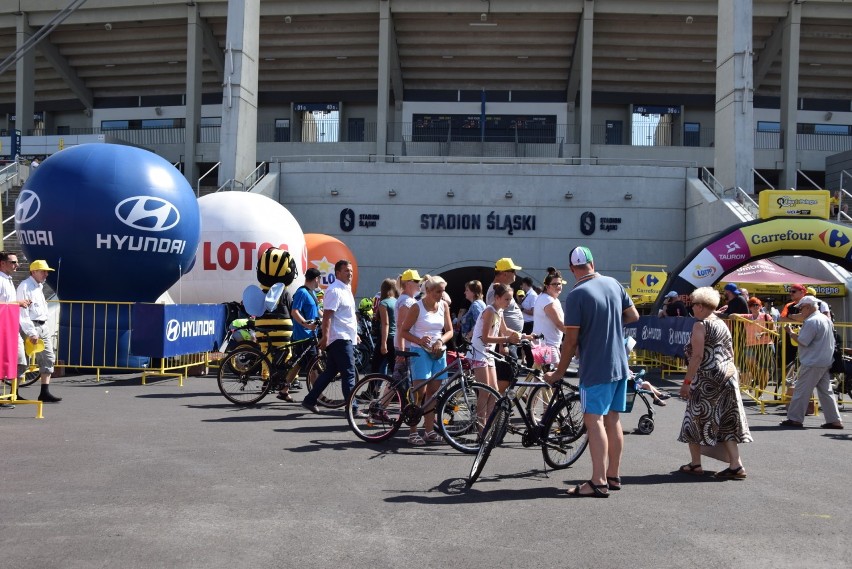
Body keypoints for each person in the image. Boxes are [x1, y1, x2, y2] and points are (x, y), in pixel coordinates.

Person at [545, 246, 639, 497]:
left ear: (572, 269)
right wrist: (608, 323)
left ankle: (598, 481)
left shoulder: (577, 294)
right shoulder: (613, 283)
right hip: (619, 362)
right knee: (613, 420)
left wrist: (558, 373)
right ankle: (613, 475)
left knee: (594, 420)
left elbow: (571, 341)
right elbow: (633, 316)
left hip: (596, 366)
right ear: (592, 263)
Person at [677, 287, 752, 479]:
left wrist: (687, 382)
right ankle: (736, 465)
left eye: (693, 304)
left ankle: (695, 464)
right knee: (727, 421)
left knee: (693, 419)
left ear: (701, 306)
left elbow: (697, 356)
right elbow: (731, 352)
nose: (691, 308)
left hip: (707, 378)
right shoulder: (721, 323)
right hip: (727, 375)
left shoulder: (700, 325)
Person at [399, 275, 454, 445]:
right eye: (438, 291)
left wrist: (440, 341)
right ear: (428, 291)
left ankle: (429, 430)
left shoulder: (443, 306)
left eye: (443, 291)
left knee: (434, 394)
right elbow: (404, 331)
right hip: (420, 352)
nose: (441, 294)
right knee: (419, 393)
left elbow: (449, 331)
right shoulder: (417, 307)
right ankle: (413, 431)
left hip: (438, 351)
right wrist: (420, 340)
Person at [301, 260, 358, 414]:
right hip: (339, 338)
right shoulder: (334, 290)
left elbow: (347, 316)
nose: (350, 273)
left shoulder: (346, 289)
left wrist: (356, 334)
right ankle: (352, 408)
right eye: (346, 271)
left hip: (346, 336)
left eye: (351, 270)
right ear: (337, 273)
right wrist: (325, 337)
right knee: (349, 373)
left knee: (330, 372)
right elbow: (327, 316)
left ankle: (310, 399)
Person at [780, 295, 843, 429]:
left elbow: (803, 341)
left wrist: (790, 332)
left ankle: (795, 419)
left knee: (802, 391)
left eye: (801, 308)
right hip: (824, 360)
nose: (800, 311)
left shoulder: (812, 321)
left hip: (813, 361)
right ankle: (834, 420)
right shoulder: (825, 319)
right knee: (826, 392)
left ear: (808, 307)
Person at [469, 283, 523, 429]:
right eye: (507, 299)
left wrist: (526, 336)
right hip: (479, 353)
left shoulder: (499, 311)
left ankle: (489, 426)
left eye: (510, 299)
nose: (509, 302)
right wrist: (507, 340)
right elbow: (485, 338)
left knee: (493, 391)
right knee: (485, 392)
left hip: (488, 354)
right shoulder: (490, 311)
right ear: (497, 298)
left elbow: (505, 330)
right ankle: (481, 429)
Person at [17, 259, 61, 402]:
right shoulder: (25, 286)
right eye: (43, 271)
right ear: (34, 271)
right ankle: (14, 392)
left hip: (42, 325)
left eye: (46, 271)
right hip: (31, 326)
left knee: (48, 358)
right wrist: (31, 332)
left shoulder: (38, 287)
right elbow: (23, 313)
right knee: (23, 359)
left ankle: (44, 392)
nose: (46, 274)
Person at [279, 267, 322, 402]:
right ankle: (318, 396)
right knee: (313, 366)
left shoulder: (312, 293)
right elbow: (294, 311)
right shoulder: (302, 293)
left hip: (310, 334)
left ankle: (284, 391)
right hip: (303, 335)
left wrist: (330, 319)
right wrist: (306, 324)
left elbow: (318, 311)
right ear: (316, 279)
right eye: (319, 279)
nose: (319, 282)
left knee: (298, 364)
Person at [487, 258, 525, 390]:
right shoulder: (495, 292)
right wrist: (502, 344)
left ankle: (498, 404)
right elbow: (495, 318)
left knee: (509, 375)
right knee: (506, 376)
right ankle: (496, 405)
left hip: (509, 339)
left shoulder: (501, 289)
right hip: (505, 342)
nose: (515, 274)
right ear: (504, 273)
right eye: (513, 271)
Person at [0, 252, 30, 407]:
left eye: (16, 262)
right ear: (2, 263)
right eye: (13, 262)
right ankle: (4, 395)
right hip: (3, 328)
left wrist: (18, 303)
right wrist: (17, 303)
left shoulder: (8, 280)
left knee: (20, 361)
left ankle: (13, 393)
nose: (16, 265)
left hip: (11, 327)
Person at [734, 297, 775, 391]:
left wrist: (763, 333)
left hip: (765, 344)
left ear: (760, 306)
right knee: (749, 363)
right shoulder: (747, 317)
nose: (755, 307)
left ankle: (760, 391)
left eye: (757, 305)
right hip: (750, 344)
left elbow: (774, 330)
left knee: (763, 369)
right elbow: (732, 316)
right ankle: (757, 380)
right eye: (752, 305)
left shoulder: (766, 316)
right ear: (750, 307)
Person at [392, 269, 422, 390]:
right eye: (416, 281)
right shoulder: (406, 301)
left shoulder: (408, 300)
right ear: (408, 283)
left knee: (399, 381)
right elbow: (400, 326)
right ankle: (380, 406)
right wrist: (402, 350)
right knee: (396, 381)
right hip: (406, 346)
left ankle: (381, 405)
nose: (419, 284)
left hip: (407, 345)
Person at [532, 271, 566, 364]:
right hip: (546, 345)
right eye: (554, 284)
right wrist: (575, 336)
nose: (558, 286)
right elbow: (559, 324)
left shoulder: (550, 299)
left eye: (559, 283)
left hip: (545, 344)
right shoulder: (547, 300)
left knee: (539, 375)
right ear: (547, 287)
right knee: (552, 376)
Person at [371, 278, 398, 376]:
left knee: (375, 367)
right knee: (394, 368)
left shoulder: (384, 303)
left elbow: (385, 324)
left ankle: (372, 390)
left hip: (387, 338)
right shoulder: (397, 302)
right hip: (396, 339)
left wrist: (383, 343)